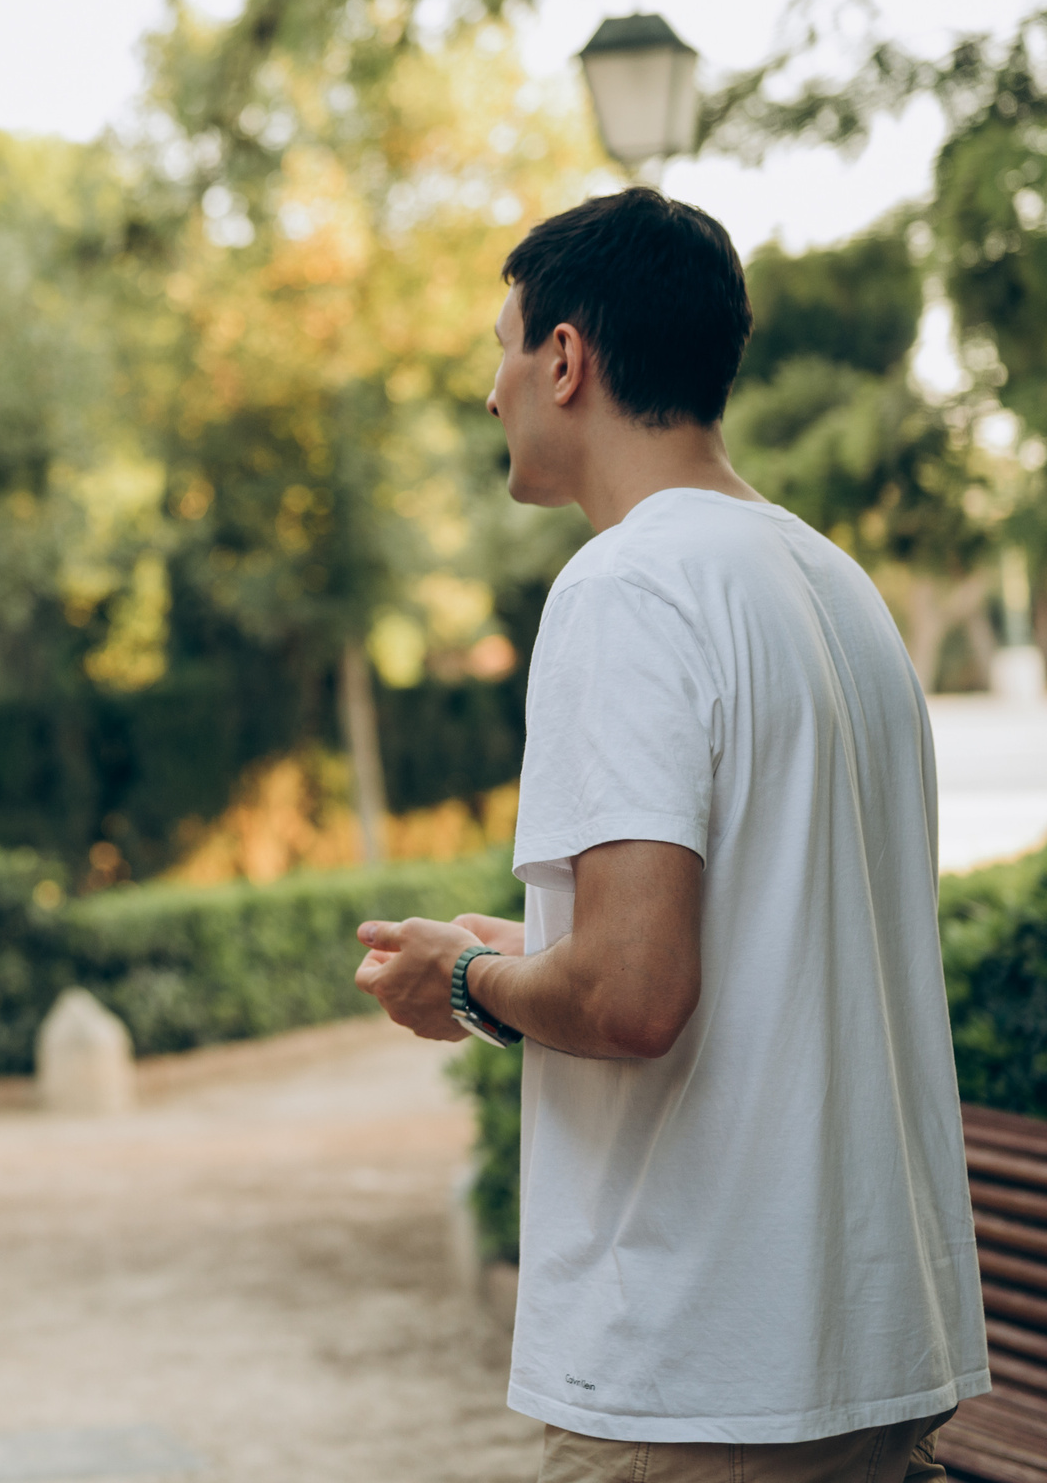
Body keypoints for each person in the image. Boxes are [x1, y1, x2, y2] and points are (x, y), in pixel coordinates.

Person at [354, 189, 988, 1482]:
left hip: (700, 1382)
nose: (492, 391)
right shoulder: (837, 589)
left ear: (568, 360)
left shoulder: (625, 585)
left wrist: (463, 983)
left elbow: (637, 992)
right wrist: (522, 943)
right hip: (875, 1363)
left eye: (503, 346)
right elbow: (758, 930)